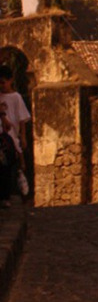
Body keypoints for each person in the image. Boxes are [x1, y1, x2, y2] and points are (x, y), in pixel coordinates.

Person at [0, 65, 30, 201]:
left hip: (12, 135)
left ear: (11, 80)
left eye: (3, 82)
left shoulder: (16, 97)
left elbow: (22, 119)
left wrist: (23, 136)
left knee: (17, 162)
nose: (2, 85)